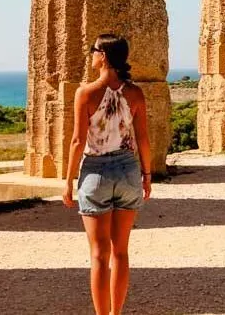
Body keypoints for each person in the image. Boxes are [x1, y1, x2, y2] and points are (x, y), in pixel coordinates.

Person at [63, 33, 153, 315]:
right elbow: (144, 140)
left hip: (96, 171)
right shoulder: (135, 93)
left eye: (93, 50)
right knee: (121, 252)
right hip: (128, 171)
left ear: (103, 56)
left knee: (99, 255)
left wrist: (68, 181)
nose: (91, 55)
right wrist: (147, 176)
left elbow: (78, 141)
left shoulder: (85, 93)